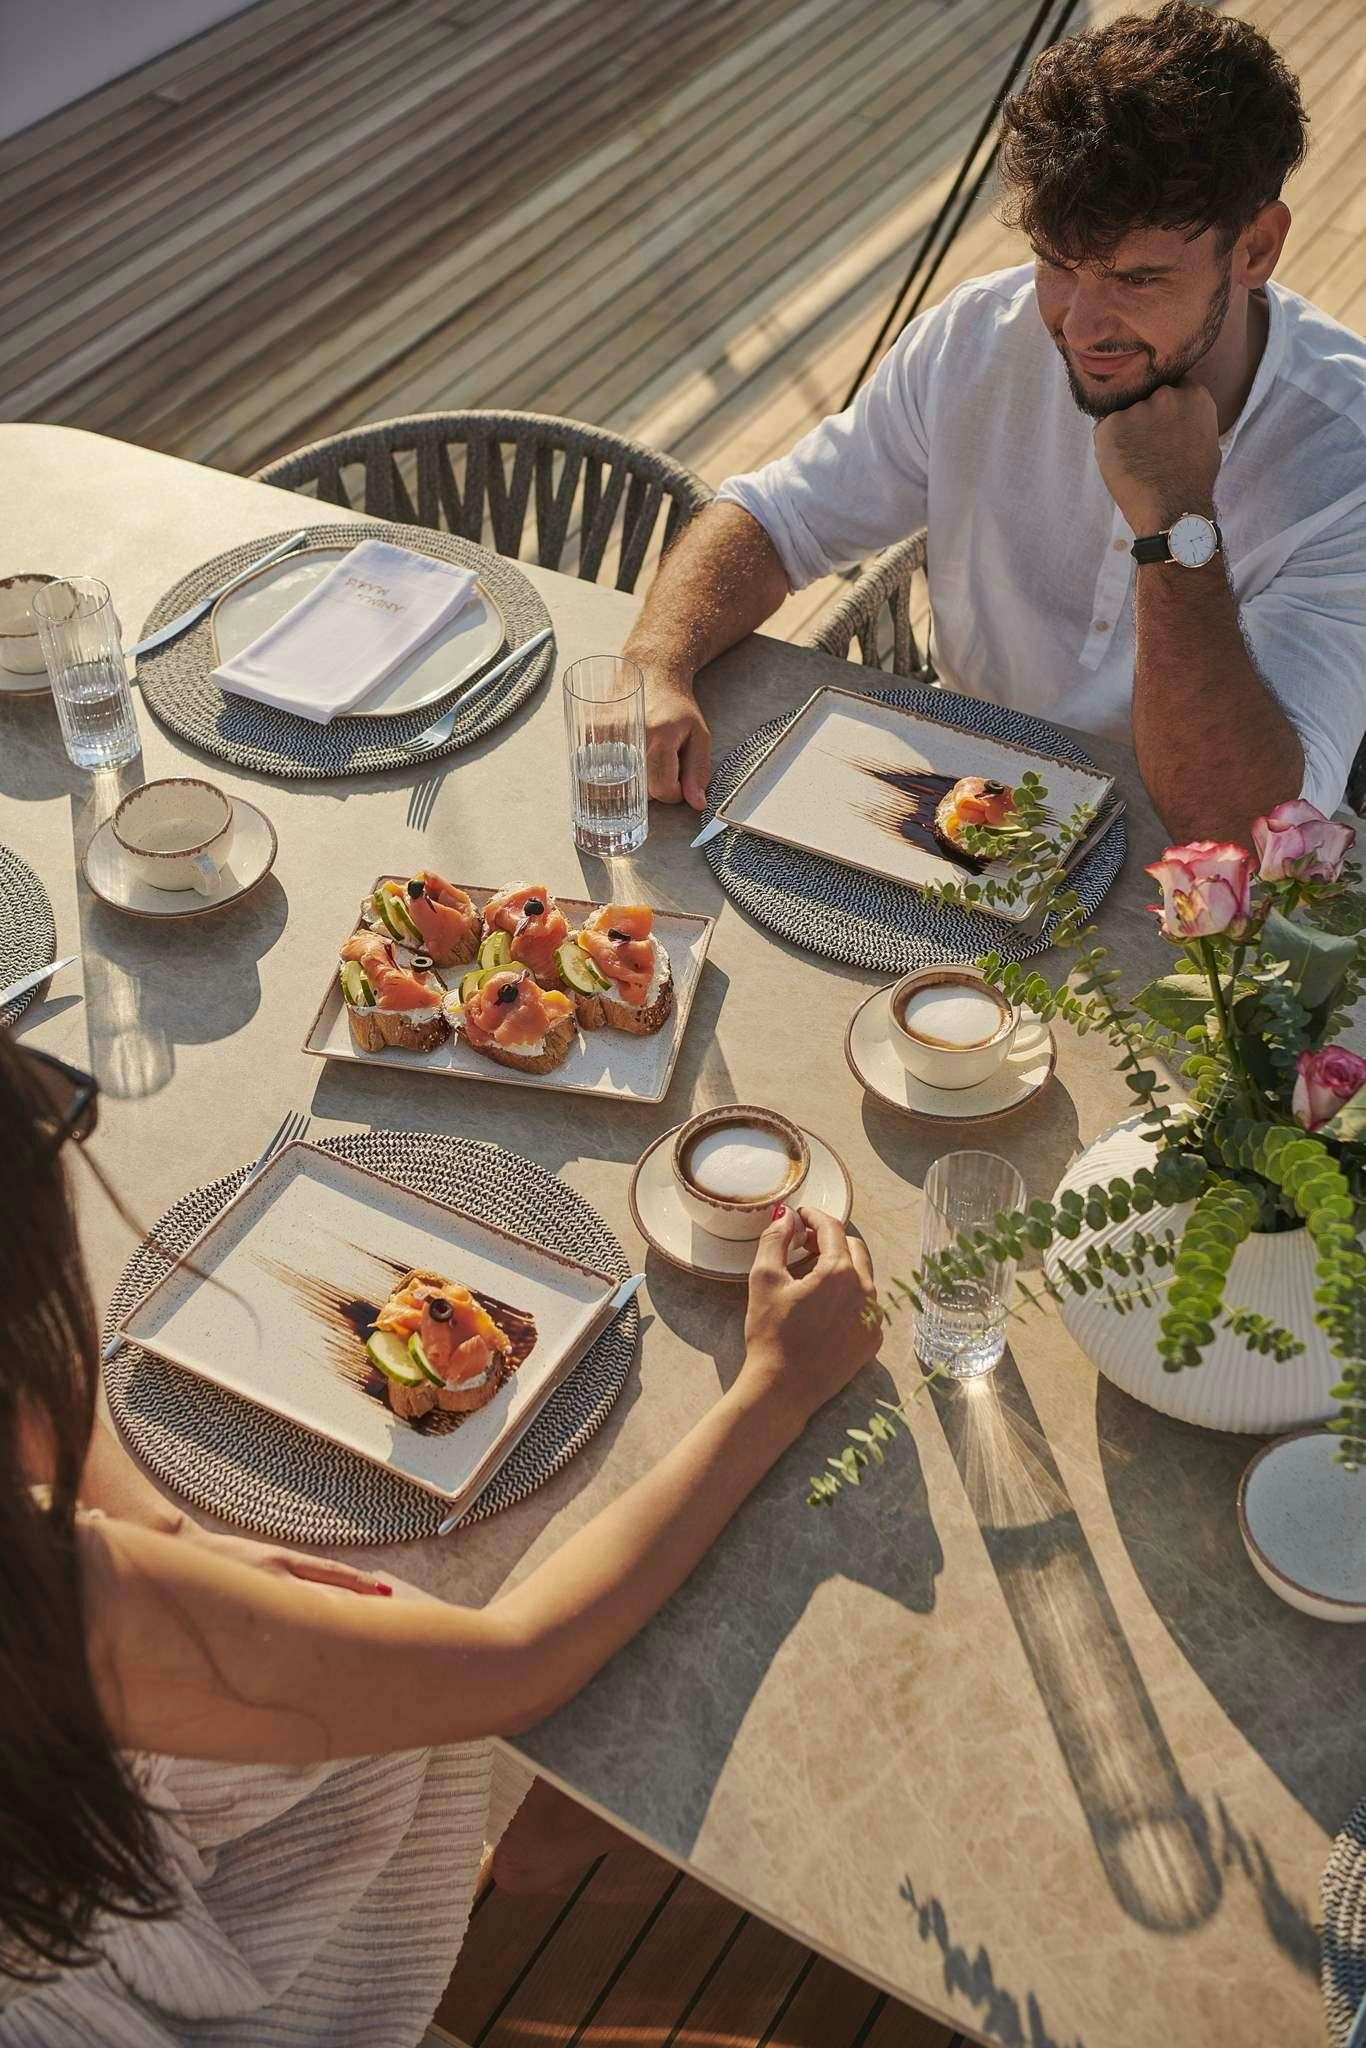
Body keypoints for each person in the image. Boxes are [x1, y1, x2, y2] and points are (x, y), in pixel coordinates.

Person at [0, 1034, 881, 2046]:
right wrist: (779, 1384)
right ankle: (555, 1826)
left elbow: (70, 1439)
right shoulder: (62, 1611)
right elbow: (516, 1662)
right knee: (584, 1606)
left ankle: (545, 1821)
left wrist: (167, 1545)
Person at [631, 2, 1366, 847]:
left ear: (1256, 249)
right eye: (1058, 263)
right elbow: (777, 519)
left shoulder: (1346, 464)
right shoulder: (977, 339)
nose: (1080, 326)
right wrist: (657, 664)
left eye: (1136, 278)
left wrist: (1176, 522)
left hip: (1187, 898)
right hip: (953, 822)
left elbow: (1248, 833)